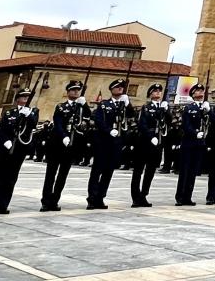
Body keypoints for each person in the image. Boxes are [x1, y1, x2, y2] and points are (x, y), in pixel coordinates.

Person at [0, 88, 38, 215]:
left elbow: (33, 125)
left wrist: (29, 115)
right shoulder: (9, 113)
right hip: (6, 148)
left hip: (19, 148)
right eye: (23, 96)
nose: (26, 98)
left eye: (27, 96)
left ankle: (3, 205)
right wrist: (5, 141)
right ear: (18, 98)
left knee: (11, 178)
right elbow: (1, 129)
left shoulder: (33, 112)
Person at [41, 81, 89, 212]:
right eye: (73, 90)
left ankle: (55, 200)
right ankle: (46, 201)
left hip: (71, 146)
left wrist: (85, 105)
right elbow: (58, 124)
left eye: (78, 90)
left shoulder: (81, 107)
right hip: (57, 144)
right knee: (50, 174)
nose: (76, 92)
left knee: (62, 175)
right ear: (68, 92)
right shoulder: (61, 107)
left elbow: (89, 118)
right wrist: (64, 136)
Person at [85, 80, 130, 209]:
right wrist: (109, 130)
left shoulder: (124, 105)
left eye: (122, 87)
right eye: (117, 87)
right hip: (103, 142)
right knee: (97, 171)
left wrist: (128, 104)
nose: (120, 89)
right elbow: (98, 120)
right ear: (111, 90)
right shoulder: (104, 105)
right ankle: (92, 198)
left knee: (108, 172)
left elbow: (132, 116)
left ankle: (100, 197)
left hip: (116, 144)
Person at [132, 82, 170, 207]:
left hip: (158, 143)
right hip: (145, 142)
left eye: (159, 91)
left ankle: (144, 194)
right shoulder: (146, 107)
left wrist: (166, 111)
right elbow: (142, 124)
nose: (158, 93)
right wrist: (150, 136)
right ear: (150, 94)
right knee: (138, 170)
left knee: (151, 170)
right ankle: (136, 197)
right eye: (155, 91)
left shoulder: (163, 107)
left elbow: (169, 122)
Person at [173, 83, 210, 205]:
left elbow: (212, 122)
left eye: (202, 91)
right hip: (189, 143)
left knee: (193, 172)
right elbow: (185, 125)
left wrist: (208, 111)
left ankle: (188, 197)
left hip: (200, 144)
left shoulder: (205, 108)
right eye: (198, 91)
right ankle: (180, 197)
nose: (200, 93)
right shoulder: (189, 108)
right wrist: (195, 133)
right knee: (185, 171)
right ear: (193, 94)